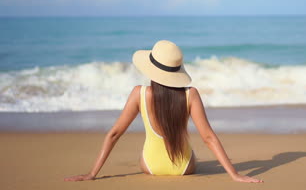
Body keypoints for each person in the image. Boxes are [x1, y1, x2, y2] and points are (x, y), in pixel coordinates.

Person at [64, 40, 263, 183]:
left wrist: (92, 174)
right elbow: (208, 137)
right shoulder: (190, 94)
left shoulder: (138, 93)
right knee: (192, 153)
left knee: (146, 150)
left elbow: (115, 133)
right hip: (186, 168)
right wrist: (235, 175)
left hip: (151, 167)